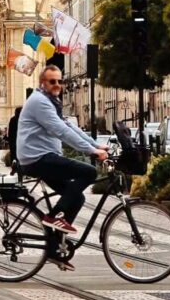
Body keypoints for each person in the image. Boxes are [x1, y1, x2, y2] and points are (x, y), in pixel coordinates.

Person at [16, 64, 107, 271]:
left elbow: (69, 126)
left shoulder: (50, 101)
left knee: (77, 196)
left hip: (43, 157)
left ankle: (54, 249)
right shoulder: (40, 102)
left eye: (59, 81)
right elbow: (61, 131)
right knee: (89, 172)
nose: (57, 85)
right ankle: (53, 218)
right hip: (38, 158)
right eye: (52, 81)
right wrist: (91, 152)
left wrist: (95, 145)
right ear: (42, 83)